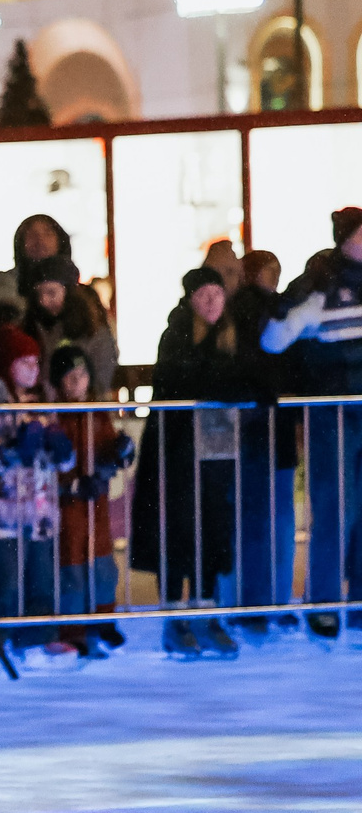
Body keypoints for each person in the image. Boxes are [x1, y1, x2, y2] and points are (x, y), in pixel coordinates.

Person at [135, 268, 246, 658]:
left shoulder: (230, 335)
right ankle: (175, 618)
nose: (213, 301)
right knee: (177, 531)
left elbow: (239, 377)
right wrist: (224, 383)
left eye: (218, 293)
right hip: (175, 450)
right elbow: (182, 380)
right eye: (205, 295)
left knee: (212, 528)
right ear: (191, 299)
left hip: (215, 452)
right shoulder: (178, 333)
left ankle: (206, 611)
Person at [261, 208, 362, 629]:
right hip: (333, 413)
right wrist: (288, 307)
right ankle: (322, 600)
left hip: (349, 411)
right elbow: (274, 340)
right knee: (333, 508)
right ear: (346, 239)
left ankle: (356, 601)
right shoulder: (323, 286)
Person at [0, 326, 75, 653]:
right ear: (8, 364)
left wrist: (61, 449)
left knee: (42, 579)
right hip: (7, 512)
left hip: (42, 511)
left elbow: (63, 462)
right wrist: (17, 448)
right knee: (6, 579)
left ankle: (39, 638)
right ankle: (1, 640)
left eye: (36, 361)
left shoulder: (45, 404)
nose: (33, 368)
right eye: (24, 362)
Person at [50, 344, 132, 658]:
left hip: (94, 500)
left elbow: (107, 445)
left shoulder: (96, 412)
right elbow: (49, 463)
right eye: (69, 375)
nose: (76, 381)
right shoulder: (54, 414)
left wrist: (120, 451)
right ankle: (73, 628)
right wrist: (69, 485)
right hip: (68, 504)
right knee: (71, 563)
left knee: (101, 560)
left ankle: (103, 618)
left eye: (81, 374)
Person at [20, 257, 116, 402]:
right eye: (39, 294)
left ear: (70, 291)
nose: (43, 301)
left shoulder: (93, 328)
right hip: (48, 409)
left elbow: (102, 374)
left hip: (87, 409)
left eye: (51, 293)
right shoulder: (34, 325)